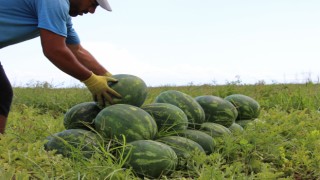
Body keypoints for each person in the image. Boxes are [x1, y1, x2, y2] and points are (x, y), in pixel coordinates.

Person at [0, 0, 121, 134]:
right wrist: (91, 80)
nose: (92, 11)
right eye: (93, 4)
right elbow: (54, 50)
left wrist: (108, 76)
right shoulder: (55, 2)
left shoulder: (62, 13)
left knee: (2, 93)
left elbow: (77, 50)